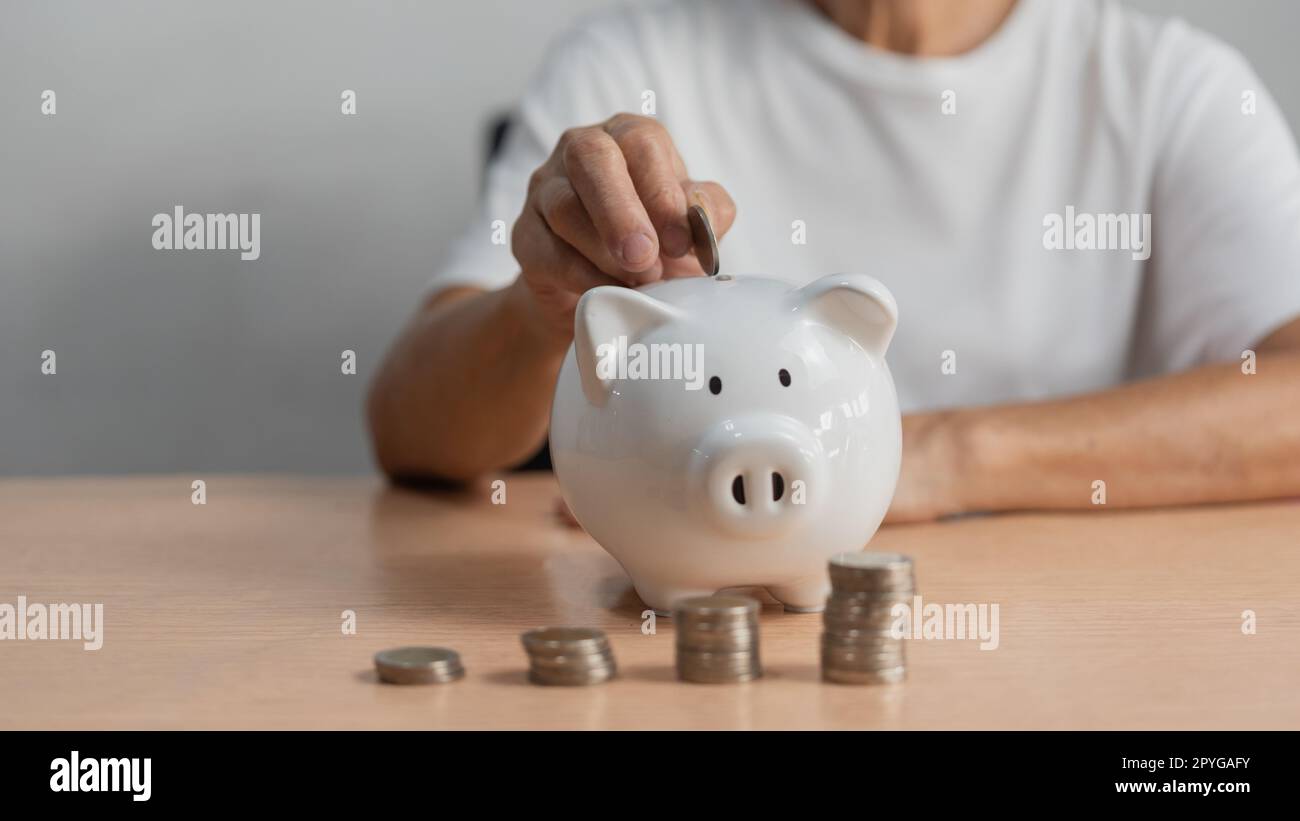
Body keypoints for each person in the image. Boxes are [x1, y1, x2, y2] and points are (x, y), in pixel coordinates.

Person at [367, 0, 1300, 522]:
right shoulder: (638, 54)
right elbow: (408, 427)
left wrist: (935, 454)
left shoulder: (1170, 88)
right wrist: (538, 312)